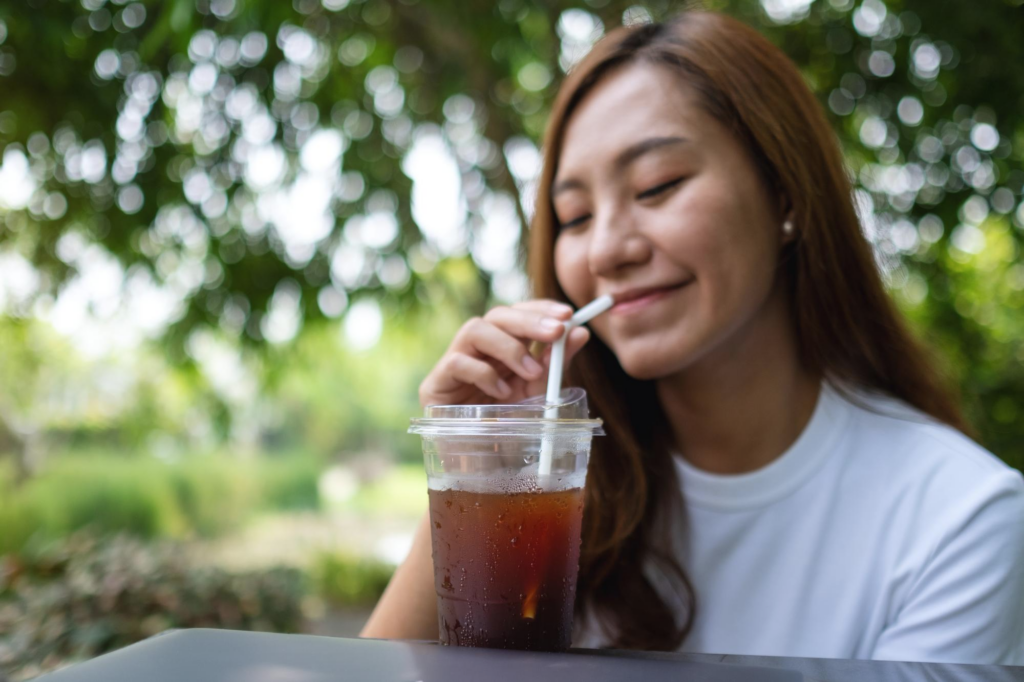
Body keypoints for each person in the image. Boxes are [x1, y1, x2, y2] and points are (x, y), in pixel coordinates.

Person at [361, 11, 1024, 664]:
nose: (606, 250)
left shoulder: (959, 521)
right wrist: (473, 470)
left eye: (659, 185)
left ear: (786, 194)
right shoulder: (561, 492)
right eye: (575, 216)